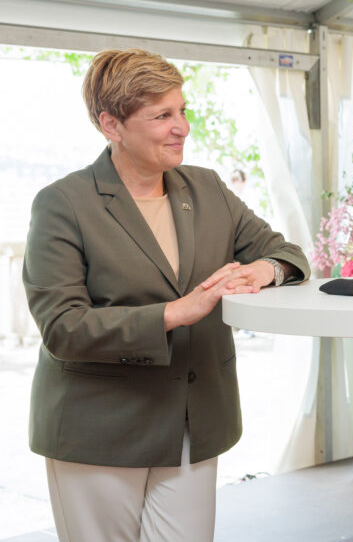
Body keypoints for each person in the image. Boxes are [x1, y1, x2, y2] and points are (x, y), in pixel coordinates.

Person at [22, 49, 310, 542]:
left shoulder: (206, 188)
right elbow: (63, 328)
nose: (183, 127)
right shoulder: (62, 203)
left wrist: (265, 269)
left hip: (194, 422)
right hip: (100, 427)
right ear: (111, 125)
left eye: (181, 110)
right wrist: (176, 313)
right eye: (162, 116)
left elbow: (287, 253)